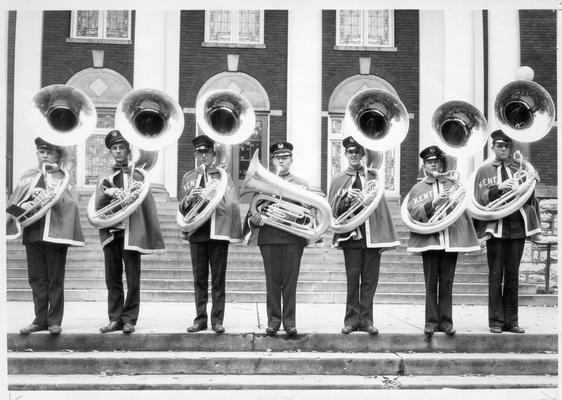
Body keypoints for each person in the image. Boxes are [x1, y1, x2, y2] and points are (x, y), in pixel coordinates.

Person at [7, 137, 85, 335]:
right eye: (41, 152)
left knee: (54, 279)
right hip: (34, 232)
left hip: (56, 234)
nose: (44, 156)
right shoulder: (28, 175)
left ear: (58, 155)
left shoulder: (64, 177)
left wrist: (51, 197)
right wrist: (25, 203)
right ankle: (39, 319)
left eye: (49, 152)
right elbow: (14, 202)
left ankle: (54, 320)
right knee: (37, 278)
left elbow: (73, 204)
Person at [404, 145, 480, 336]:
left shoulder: (453, 184)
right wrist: (434, 203)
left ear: (441, 163)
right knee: (431, 284)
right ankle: (430, 322)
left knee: (447, 283)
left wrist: (451, 202)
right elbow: (412, 213)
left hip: (449, 240)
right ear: (424, 167)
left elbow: (462, 208)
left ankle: (446, 322)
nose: (433, 165)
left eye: (436, 162)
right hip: (429, 241)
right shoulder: (417, 188)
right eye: (429, 163)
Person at [95, 130, 165, 334]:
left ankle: (130, 319)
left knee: (133, 279)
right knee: (112, 279)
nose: (117, 152)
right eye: (114, 149)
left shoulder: (138, 176)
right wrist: (108, 193)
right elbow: (97, 206)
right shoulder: (106, 178)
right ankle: (114, 318)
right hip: (111, 233)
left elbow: (146, 205)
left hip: (130, 234)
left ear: (128, 151)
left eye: (121, 148)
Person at [328, 136, 400, 335]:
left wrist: (367, 200)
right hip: (351, 237)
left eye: (357, 152)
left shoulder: (374, 177)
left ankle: (367, 320)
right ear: (345, 154)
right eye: (350, 152)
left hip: (372, 236)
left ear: (362, 154)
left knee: (370, 281)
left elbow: (380, 207)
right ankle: (351, 320)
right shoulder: (338, 179)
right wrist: (346, 199)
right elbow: (333, 210)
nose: (353, 155)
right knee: (353, 280)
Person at [472, 130, 541, 334]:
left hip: (517, 227)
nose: (503, 149)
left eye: (507, 146)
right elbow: (479, 199)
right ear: (492, 147)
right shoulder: (484, 170)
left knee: (512, 275)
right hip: (496, 227)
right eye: (499, 146)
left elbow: (528, 201)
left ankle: (512, 321)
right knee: (495, 275)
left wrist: (531, 183)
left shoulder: (520, 167)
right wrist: (499, 188)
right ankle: (496, 321)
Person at [243, 141, 309, 337]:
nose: (282, 160)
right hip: (269, 237)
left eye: (285, 157)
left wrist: (292, 215)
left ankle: (289, 322)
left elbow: (308, 214)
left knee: (290, 283)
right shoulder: (264, 183)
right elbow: (252, 212)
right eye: (278, 157)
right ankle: (273, 321)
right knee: (272, 282)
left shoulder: (301, 184)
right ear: (272, 161)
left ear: (291, 160)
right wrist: (255, 220)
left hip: (292, 238)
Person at [179, 134, 242, 334]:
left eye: (207, 152)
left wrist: (211, 196)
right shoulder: (188, 177)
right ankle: (200, 319)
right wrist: (190, 198)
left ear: (213, 154)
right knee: (199, 278)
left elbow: (231, 203)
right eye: (200, 152)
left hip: (218, 231)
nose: (204, 155)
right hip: (197, 231)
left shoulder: (223, 177)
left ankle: (217, 320)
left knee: (217, 279)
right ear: (195, 154)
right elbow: (181, 207)